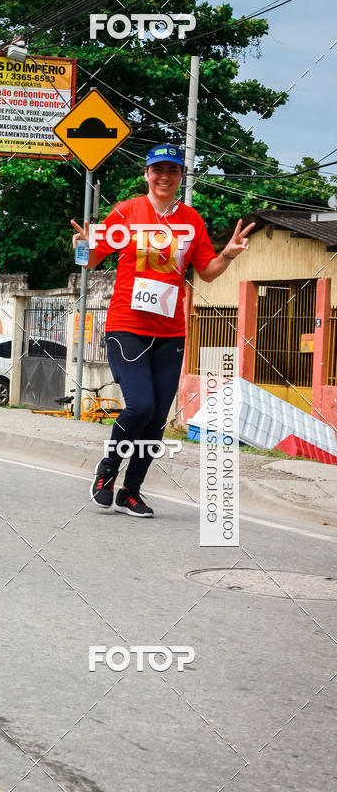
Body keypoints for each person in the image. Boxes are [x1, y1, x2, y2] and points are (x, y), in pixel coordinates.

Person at [71, 144, 254, 517]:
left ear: (181, 177)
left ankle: (131, 492)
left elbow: (206, 271)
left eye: (172, 171)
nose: (164, 177)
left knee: (156, 419)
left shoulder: (191, 220)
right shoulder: (126, 211)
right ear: (147, 174)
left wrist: (230, 254)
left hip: (170, 331)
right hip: (127, 325)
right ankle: (107, 471)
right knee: (141, 406)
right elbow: (90, 260)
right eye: (158, 170)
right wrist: (80, 247)